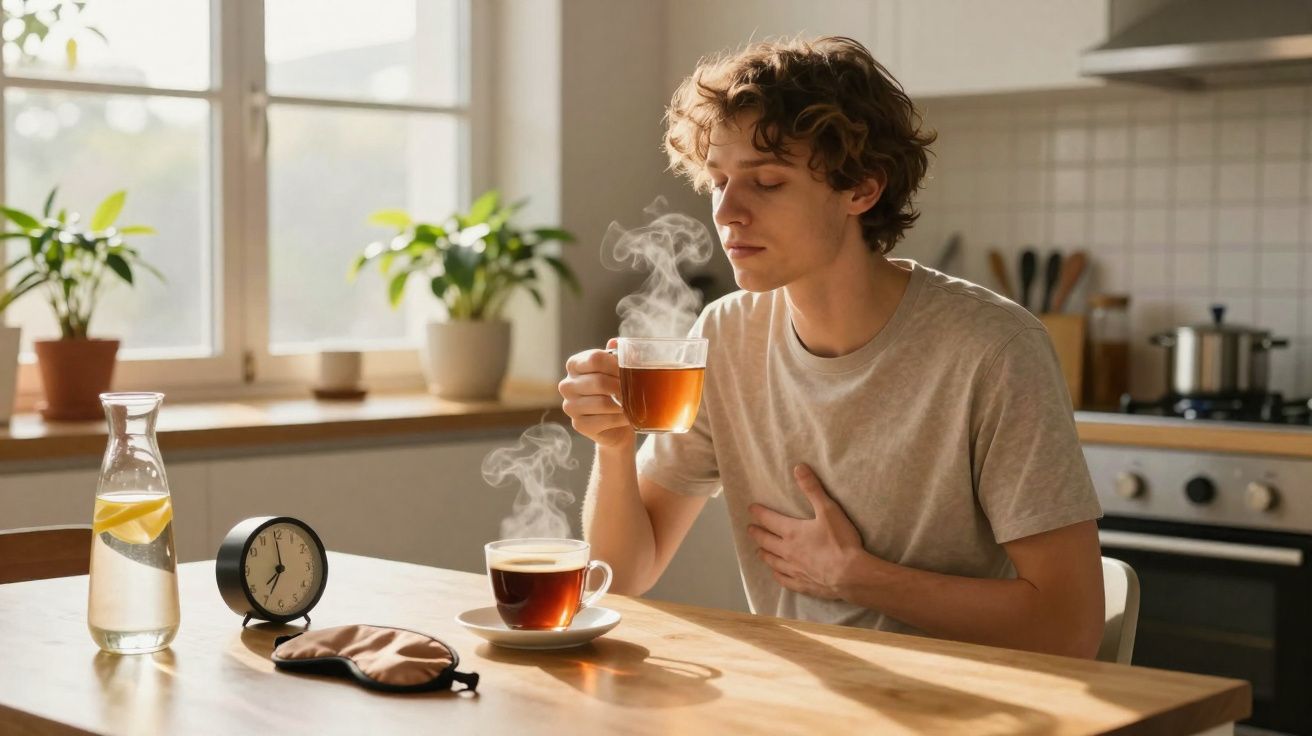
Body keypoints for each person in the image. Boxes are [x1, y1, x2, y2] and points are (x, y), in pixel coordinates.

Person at [558, 36, 1105, 658]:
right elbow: (622, 576)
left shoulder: (994, 348)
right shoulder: (724, 334)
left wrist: (859, 577)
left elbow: (1071, 627)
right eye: (717, 182)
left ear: (860, 190)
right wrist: (615, 445)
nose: (728, 212)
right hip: (800, 701)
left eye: (766, 182)